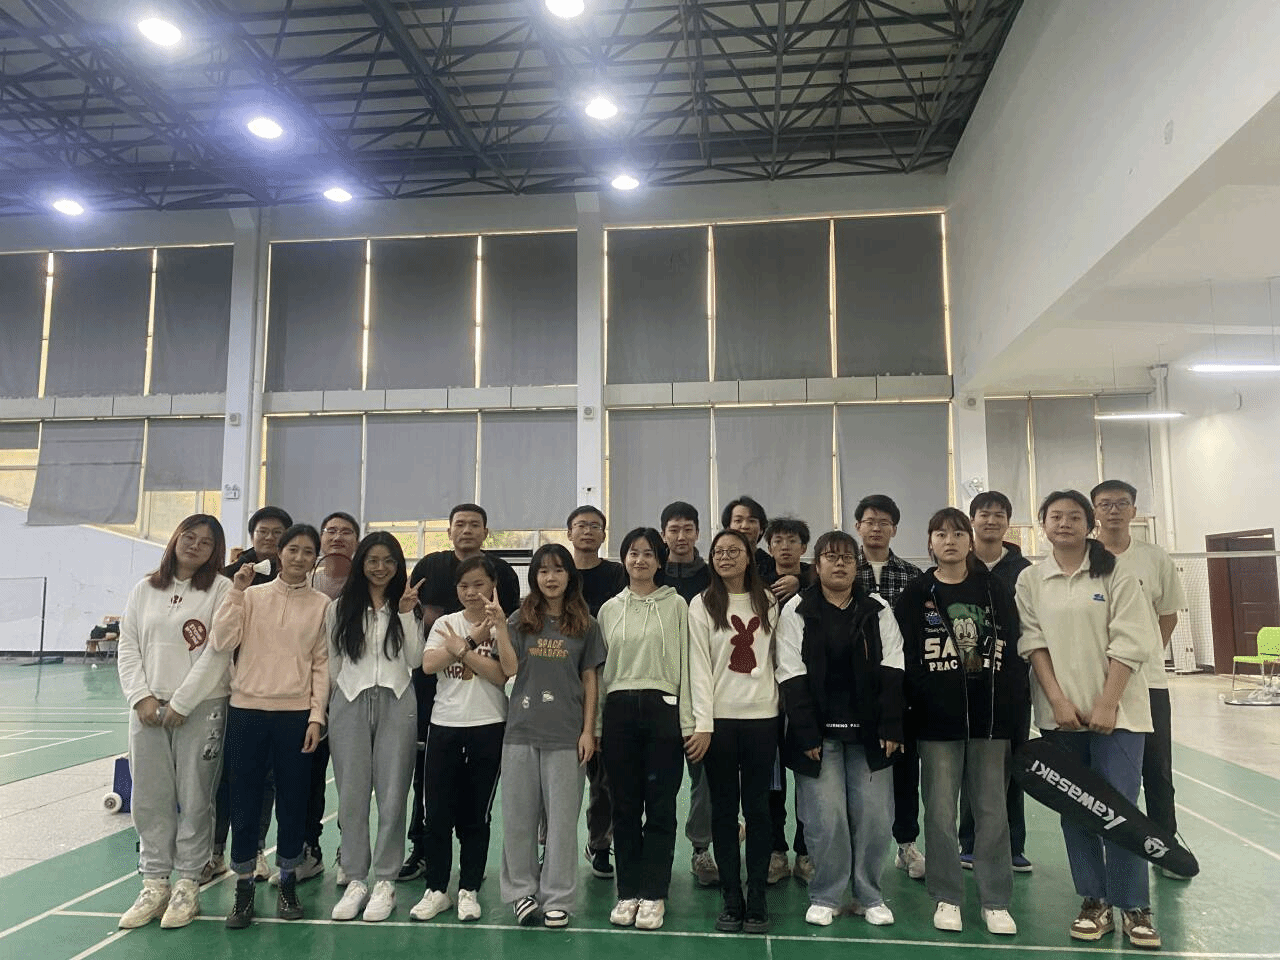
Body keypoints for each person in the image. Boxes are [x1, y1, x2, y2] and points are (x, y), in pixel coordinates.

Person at [1017, 490, 1158, 949]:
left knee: (1119, 809)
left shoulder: (1117, 573)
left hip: (1120, 715)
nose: (1064, 523)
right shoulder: (1031, 579)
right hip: (1063, 718)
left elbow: (1132, 640)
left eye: (1074, 516)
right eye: (1055, 516)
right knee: (1076, 809)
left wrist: (1108, 702)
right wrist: (1057, 702)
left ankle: (1134, 906)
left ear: (1089, 524)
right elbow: (1034, 644)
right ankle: (1094, 900)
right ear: (1043, 524)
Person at [894, 508, 1023, 936]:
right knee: (940, 813)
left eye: (957, 534)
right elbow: (904, 658)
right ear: (930, 542)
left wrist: (1013, 717)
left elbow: (1012, 653)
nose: (949, 541)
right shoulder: (916, 593)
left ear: (970, 541)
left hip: (990, 724)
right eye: (940, 534)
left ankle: (995, 901)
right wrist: (914, 709)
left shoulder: (994, 590)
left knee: (992, 814)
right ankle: (947, 896)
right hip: (936, 725)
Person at [776, 530, 905, 928]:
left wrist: (891, 724)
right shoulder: (797, 609)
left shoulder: (877, 608)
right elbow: (790, 671)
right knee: (824, 817)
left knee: (874, 817)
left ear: (856, 566)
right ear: (817, 566)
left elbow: (894, 665)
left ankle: (869, 895)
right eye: (831, 557)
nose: (840, 564)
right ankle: (827, 894)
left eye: (847, 558)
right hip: (818, 736)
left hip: (870, 734)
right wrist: (805, 732)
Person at [116, 515, 232, 930]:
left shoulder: (221, 590)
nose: (195, 545)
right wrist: (141, 697)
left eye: (206, 542)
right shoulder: (145, 589)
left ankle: (187, 885)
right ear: (175, 538)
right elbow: (128, 645)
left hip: (202, 706)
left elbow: (218, 650)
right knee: (150, 798)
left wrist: (183, 702)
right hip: (148, 709)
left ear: (215, 551)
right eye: (189, 536)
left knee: (196, 796)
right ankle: (155, 882)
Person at [211, 524, 330, 929]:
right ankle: (243, 887)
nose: (299, 557)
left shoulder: (322, 605)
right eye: (292, 549)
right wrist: (236, 591)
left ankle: (288, 880)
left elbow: (321, 665)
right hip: (246, 711)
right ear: (279, 553)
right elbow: (222, 641)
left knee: (294, 801)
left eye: (308, 551)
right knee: (243, 800)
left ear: (315, 559)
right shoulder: (250, 596)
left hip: (295, 716)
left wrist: (316, 716)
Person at [400, 503, 521, 881]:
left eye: (474, 524)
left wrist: (468, 646)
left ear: (485, 532)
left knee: (476, 794)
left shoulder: (503, 573)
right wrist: (456, 643)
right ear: (449, 530)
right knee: (428, 777)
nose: (466, 530)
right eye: (460, 524)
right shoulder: (429, 566)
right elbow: (420, 622)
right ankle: (421, 849)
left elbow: (506, 635)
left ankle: (471, 867)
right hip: (435, 694)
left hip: (486, 702)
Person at [497, 544, 606, 928]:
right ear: (534, 577)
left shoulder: (586, 624)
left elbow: (590, 680)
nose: (550, 577)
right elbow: (508, 669)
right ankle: (522, 892)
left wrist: (588, 731)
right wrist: (498, 626)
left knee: (561, 823)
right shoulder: (519, 620)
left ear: (569, 576)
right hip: (521, 732)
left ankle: (558, 896)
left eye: (558, 570)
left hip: (566, 734)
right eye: (543, 571)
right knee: (518, 819)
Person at [689, 529, 788, 934]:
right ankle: (732, 898)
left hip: (763, 720)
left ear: (749, 556)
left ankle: (757, 898)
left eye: (734, 550)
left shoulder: (768, 601)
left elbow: (778, 657)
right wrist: (703, 723)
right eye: (718, 551)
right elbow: (698, 667)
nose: (725, 557)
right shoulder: (702, 604)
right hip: (720, 723)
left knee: (759, 810)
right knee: (724, 812)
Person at [598, 527, 694, 931]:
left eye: (648, 553)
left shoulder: (677, 606)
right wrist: (597, 725)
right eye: (633, 553)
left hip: (663, 711)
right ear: (624, 559)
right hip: (618, 712)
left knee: (660, 806)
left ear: (660, 561)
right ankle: (628, 891)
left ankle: (654, 893)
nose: (640, 560)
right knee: (623, 806)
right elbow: (599, 673)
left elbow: (688, 665)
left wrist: (688, 722)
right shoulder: (608, 609)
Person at [1091, 480, 1188, 879]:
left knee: (1157, 768)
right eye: (1105, 504)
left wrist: (1143, 656)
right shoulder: (1084, 557)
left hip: (1149, 683)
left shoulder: (1154, 558)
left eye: (1122, 503)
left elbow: (1169, 615)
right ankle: (1110, 845)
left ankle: (1164, 845)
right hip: (1096, 685)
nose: (1113, 510)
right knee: (1104, 773)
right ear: (1095, 511)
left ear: (1134, 511)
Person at [327, 533, 424, 922]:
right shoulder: (339, 608)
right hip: (350, 700)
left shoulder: (408, 607)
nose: (380, 568)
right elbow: (332, 660)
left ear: (398, 566)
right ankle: (355, 878)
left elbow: (415, 659)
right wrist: (335, 703)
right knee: (351, 796)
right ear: (361, 564)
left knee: (393, 794)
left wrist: (405, 613)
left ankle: (385, 880)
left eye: (388, 561)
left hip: (397, 701)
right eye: (372, 560)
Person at [409, 556, 512, 923]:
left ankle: (469, 889)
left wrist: (463, 649)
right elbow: (428, 665)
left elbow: (503, 674)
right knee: (436, 814)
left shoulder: (503, 625)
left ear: (492, 586)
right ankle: (437, 890)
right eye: (464, 586)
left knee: (476, 815)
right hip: (445, 726)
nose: (471, 592)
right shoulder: (445, 624)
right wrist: (470, 641)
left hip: (489, 725)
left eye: (479, 584)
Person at [205, 505, 292, 883]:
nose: (269, 538)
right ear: (252, 536)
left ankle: (256, 850)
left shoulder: (295, 578)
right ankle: (215, 851)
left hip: (276, 691)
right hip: (232, 689)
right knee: (227, 774)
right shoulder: (227, 577)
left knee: (267, 776)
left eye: (277, 532)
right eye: (262, 532)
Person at [853, 493, 926, 882]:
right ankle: (855, 846)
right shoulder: (846, 570)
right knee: (858, 771)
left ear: (895, 529)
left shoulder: (913, 576)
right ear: (858, 527)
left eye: (884, 522)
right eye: (869, 521)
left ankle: (906, 843)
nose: (876, 528)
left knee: (904, 770)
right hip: (856, 690)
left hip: (902, 687)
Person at [960, 491, 1033, 873]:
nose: (991, 520)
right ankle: (970, 843)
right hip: (967, 682)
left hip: (1012, 683)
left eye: (999, 514)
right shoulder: (959, 562)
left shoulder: (1024, 570)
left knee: (1012, 763)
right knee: (970, 766)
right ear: (972, 519)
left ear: (1008, 521)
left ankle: (1013, 844)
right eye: (984, 514)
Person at [566, 504, 625, 881]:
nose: (587, 531)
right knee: (559, 774)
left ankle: (600, 843)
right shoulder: (558, 570)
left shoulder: (618, 574)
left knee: (605, 774)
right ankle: (549, 847)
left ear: (604, 535)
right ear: (569, 533)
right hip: (562, 680)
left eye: (595, 526)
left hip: (606, 680)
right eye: (580, 525)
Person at [659, 500, 716, 885]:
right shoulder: (650, 574)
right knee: (658, 779)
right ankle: (654, 850)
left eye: (688, 529)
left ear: (697, 533)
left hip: (700, 691)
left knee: (705, 775)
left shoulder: (713, 576)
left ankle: (701, 849)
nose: (681, 537)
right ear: (664, 533)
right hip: (660, 691)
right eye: (674, 530)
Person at [762, 517, 813, 882]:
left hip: (807, 697)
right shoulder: (757, 584)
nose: (785, 546)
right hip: (767, 697)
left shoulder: (816, 583)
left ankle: (806, 851)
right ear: (769, 548)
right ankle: (776, 851)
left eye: (792, 540)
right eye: (778, 540)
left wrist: (803, 580)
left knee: (808, 778)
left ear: (803, 547)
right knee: (772, 781)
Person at [722, 495, 777, 582]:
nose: (745, 526)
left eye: (751, 521)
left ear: (761, 529)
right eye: (738, 520)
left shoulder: (772, 566)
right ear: (728, 528)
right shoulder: (720, 561)